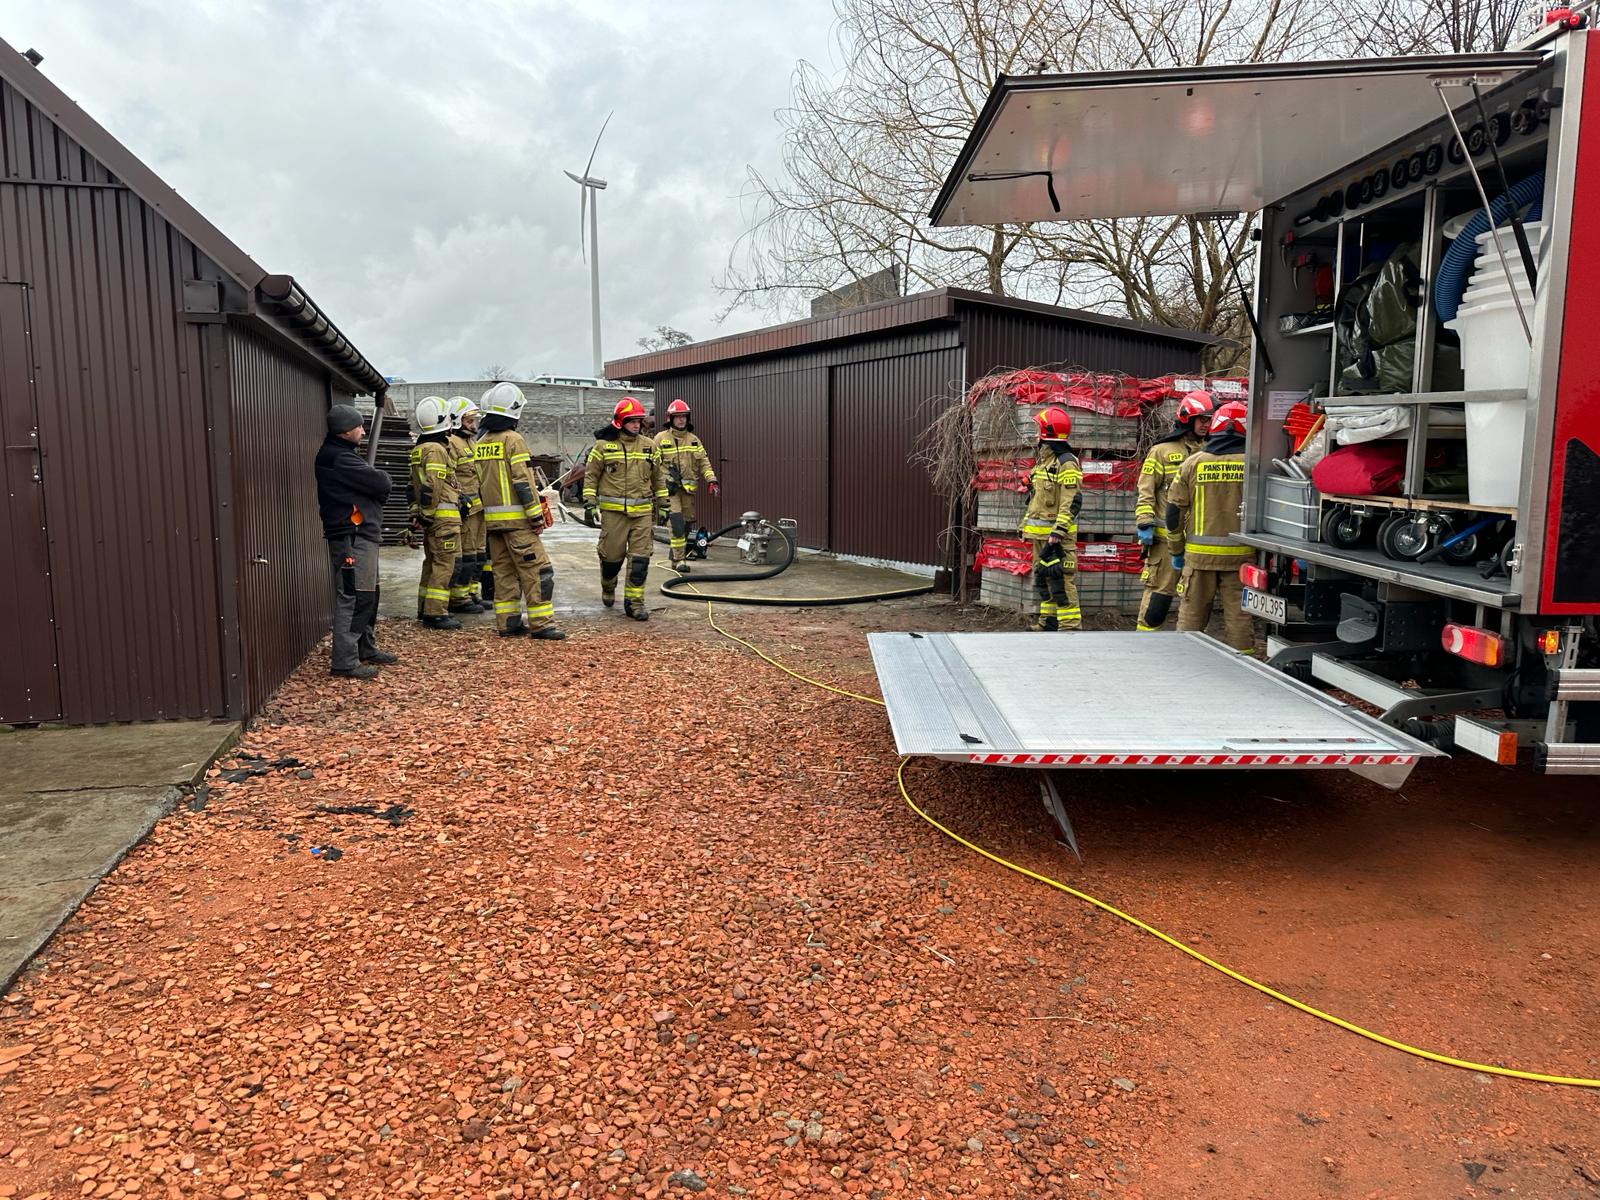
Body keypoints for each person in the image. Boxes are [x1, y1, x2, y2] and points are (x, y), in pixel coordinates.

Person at [475, 382, 567, 639]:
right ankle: (542, 624)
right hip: (518, 523)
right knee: (539, 571)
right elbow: (522, 482)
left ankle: (508, 623)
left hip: (494, 524)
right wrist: (536, 515)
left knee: (503, 573)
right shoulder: (513, 440)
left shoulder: (481, 443)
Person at [314, 404, 398, 679]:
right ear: (345, 431)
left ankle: (364, 648)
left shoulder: (342, 455)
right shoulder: (340, 458)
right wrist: (379, 484)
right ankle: (345, 662)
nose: (363, 431)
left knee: (367, 594)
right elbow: (381, 483)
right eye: (359, 426)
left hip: (360, 535)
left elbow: (375, 485)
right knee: (354, 596)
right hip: (352, 536)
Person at [1168, 399, 1256, 653]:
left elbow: (1173, 513)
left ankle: (1185, 663)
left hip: (1198, 560)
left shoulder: (1193, 463)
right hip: (1242, 559)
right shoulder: (1254, 465)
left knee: (1191, 620)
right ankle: (1244, 666)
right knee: (1240, 619)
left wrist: (1176, 550)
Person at [1134, 390, 1214, 632]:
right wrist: (1144, 521)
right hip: (1165, 542)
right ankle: (1144, 642)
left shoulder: (1211, 452)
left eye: (1209, 420)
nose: (1206, 425)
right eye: (1201, 419)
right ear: (1187, 419)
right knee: (1158, 598)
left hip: (1198, 542)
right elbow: (1146, 489)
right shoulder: (1162, 451)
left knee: (1194, 600)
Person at [582, 396, 666, 620]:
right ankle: (608, 584)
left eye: (639, 421)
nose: (637, 425)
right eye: (632, 421)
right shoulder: (603, 446)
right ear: (620, 421)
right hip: (614, 514)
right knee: (611, 559)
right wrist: (589, 503)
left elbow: (658, 478)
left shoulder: (650, 446)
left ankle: (635, 604)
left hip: (642, 514)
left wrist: (664, 504)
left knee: (640, 561)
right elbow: (591, 477)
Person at [1018, 406, 1082, 632]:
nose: (1036, 433)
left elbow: (1071, 501)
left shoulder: (1067, 463)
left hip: (1057, 538)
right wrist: (1025, 526)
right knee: (1044, 579)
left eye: (1039, 429)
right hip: (1040, 536)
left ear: (1047, 432)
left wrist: (1058, 531)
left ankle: (1070, 627)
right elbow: (1038, 496)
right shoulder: (1045, 461)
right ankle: (1049, 623)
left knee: (1062, 580)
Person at [408, 396, 463, 630]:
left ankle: (425, 608)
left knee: (431, 562)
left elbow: (411, 487)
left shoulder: (419, 449)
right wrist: (428, 514)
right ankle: (436, 613)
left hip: (432, 518)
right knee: (444, 564)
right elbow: (433, 485)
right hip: (443, 520)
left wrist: (418, 515)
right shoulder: (437, 450)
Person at [653, 398, 720, 570]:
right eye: (678, 416)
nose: (681, 419)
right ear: (670, 418)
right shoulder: (660, 439)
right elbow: (652, 465)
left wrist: (711, 480)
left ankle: (676, 556)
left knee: (686, 524)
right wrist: (661, 483)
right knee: (676, 522)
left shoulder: (694, 440)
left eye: (684, 416)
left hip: (688, 491)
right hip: (670, 491)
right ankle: (679, 560)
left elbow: (704, 462)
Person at [445, 396, 488, 614]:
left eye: (473, 420)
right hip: (466, 511)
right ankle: (459, 598)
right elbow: (449, 475)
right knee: (467, 555)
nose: (473, 424)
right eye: (469, 420)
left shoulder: (472, 442)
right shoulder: (452, 443)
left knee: (479, 555)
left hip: (479, 510)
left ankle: (472, 593)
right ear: (456, 420)